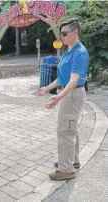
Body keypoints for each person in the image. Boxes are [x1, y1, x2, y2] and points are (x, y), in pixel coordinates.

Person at [38, 18, 89, 181]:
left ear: (75, 32)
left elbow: (73, 80)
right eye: (61, 34)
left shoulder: (80, 52)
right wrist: (48, 88)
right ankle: (71, 162)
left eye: (65, 33)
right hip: (70, 93)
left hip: (72, 94)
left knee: (65, 130)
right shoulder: (69, 50)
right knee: (71, 128)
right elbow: (62, 78)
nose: (62, 36)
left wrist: (59, 97)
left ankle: (66, 170)